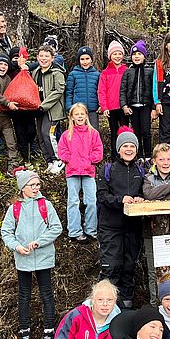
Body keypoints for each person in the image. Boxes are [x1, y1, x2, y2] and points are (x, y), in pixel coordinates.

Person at [1, 170, 63, 339]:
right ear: (22, 188)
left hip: (43, 258)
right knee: (24, 296)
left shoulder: (46, 205)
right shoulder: (14, 209)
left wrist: (40, 242)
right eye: (32, 185)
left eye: (37, 185)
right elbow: (6, 232)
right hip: (23, 259)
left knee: (46, 295)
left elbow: (56, 228)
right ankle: (25, 331)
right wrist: (17, 247)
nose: (36, 188)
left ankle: (48, 332)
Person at [96, 127, 144, 309]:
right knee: (111, 268)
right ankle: (104, 305)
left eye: (132, 146)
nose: (129, 149)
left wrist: (141, 198)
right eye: (125, 146)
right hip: (111, 227)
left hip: (133, 227)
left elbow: (145, 192)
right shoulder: (108, 170)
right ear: (118, 149)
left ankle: (126, 305)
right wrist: (120, 201)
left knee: (129, 267)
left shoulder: (141, 170)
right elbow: (101, 195)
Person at [142, 143, 170, 306]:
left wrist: (159, 196)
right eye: (161, 159)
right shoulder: (148, 177)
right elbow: (148, 195)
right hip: (152, 232)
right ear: (155, 161)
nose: (166, 162)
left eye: (169, 159)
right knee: (153, 272)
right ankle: (155, 306)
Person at [57, 103, 103, 242]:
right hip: (72, 172)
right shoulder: (67, 134)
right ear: (72, 117)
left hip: (88, 172)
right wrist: (69, 159)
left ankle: (91, 229)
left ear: (86, 116)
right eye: (77, 114)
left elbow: (98, 150)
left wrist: (91, 160)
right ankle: (74, 231)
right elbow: (62, 150)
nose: (80, 116)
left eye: (82, 114)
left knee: (91, 201)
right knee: (73, 201)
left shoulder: (93, 133)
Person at [31, 45, 67, 174]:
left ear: (52, 58)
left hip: (52, 111)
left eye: (47, 56)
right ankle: (50, 161)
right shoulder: (35, 72)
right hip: (38, 110)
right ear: (37, 57)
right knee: (40, 136)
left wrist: (43, 105)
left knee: (48, 134)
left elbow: (58, 91)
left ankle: (59, 159)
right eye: (41, 56)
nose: (43, 59)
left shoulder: (57, 73)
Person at [120, 40, 155, 162]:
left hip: (146, 106)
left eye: (139, 54)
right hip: (132, 106)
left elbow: (154, 90)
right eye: (134, 55)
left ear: (144, 57)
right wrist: (124, 105)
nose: (136, 57)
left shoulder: (150, 71)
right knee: (136, 131)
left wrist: (154, 108)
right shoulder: (128, 72)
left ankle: (149, 155)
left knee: (146, 131)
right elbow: (123, 90)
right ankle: (139, 156)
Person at [6, 46, 40, 163]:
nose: (18, 60)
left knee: (31, 131)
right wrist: (17, 65)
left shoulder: (28, 68)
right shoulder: (9, 69)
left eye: (20, 57)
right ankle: (24, 156)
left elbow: (39, 63)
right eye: (15, 58)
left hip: (29, 107)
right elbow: (6, 65)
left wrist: (26, 67)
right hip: (16, 109)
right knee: (20, 132)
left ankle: (32, 152)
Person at [98, 40, 128, 161]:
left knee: (125, 130)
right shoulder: (105, 73)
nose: (117, 56)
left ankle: (126, 155)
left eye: (119, 54)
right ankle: (115, 157)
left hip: (123, 106)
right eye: (114, 54)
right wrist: (104, 107)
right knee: (114, 132)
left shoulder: (126, 70)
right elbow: (102, 91)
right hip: (111, 108)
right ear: (110, 56)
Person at [65, 46, 101, 129]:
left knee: (93, 131)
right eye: (82, 59)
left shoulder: (97, 75)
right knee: (77, 133)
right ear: (79, 60)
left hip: (92, 110)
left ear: (91, 59)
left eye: (87, 58)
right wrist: (69, 107)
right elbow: (69, 92)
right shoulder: (73, 74)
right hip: (78, 111)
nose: (85, 62)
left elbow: (100, 92)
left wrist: (100, 105)